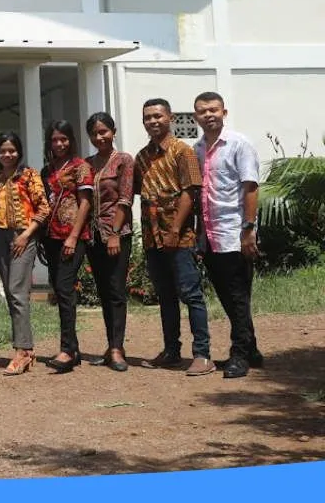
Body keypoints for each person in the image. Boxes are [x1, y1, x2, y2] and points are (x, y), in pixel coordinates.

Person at [136, 98, 213, 376]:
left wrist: (174, 231)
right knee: (165, 296)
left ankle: (202, 354)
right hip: (152, 237)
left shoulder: (183, 152)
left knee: (191, 294)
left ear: (169, 117)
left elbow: (189, 193)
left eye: (158, 116)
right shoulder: (142, 157)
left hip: (178, 237)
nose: (153, 121)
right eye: (148, 117)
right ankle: (171, 350)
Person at [193, 92, 262, 379]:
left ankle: (240, 355)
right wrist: (198, 235)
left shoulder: (238, 144)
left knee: (237, 295)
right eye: (202, 111)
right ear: (195, 116)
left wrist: (248, 230)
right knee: (228, 296)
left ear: (224, 112)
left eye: (213, 110)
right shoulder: (196, 149)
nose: (208, 115)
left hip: (234, 233)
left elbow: (250, 187)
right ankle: (252, 348)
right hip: (210, 236)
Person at [0, 132, 50, 376]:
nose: (7, 154)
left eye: (11, 150)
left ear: (19, 152)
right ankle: (25, 349)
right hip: (1, 237)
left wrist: (26, 235)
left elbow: (43, 208)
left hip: (23, 235)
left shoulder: (29, 175)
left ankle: (23, 350)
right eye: (2, 150)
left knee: (17, 292)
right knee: (11, 292)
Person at [40, 120, 95, 373]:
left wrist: (73, 237)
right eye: (54, 140)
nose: (59, 144)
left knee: (64, 289)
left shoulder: (80, 167)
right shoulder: (47, 170)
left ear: (71, 140)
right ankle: (73, 348)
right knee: (61, 291)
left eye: (63, 139)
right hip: (51, 238)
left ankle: (67, 349)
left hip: (72, 236)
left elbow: (85, 203)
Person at [84, 113, 135, 373]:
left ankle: (118, 348)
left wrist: (115, 232)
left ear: (113, 131)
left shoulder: (123, 160)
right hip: (93, 237)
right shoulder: (87, 163)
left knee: (116, 291)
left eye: (104, 131)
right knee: (104, 291)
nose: (99, 137)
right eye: (94, 133)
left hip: (116, 234)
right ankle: (110, 344)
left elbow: (125, 199)